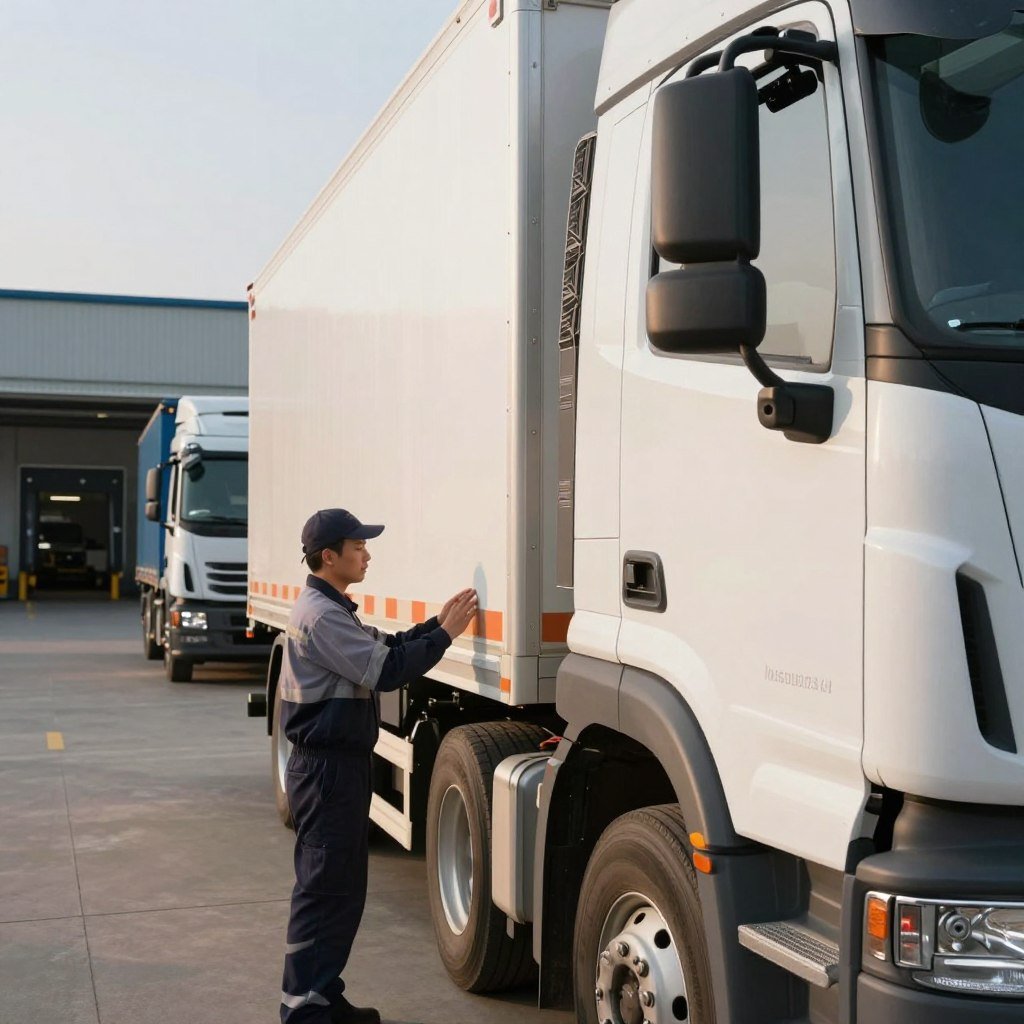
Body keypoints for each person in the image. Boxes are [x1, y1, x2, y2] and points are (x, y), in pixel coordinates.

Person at [278, 508, 478, 1024]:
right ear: (330, 556)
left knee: (341, 889)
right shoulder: (321, 617)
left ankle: (322, 995)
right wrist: (447, 637)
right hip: (326, 771)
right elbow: (387, 671)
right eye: (359, 546)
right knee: (325, 890)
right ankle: (303, 1010)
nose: (367, 554)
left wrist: (435, 625)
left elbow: (385, 647)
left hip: (335, 767)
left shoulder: (331, 608)